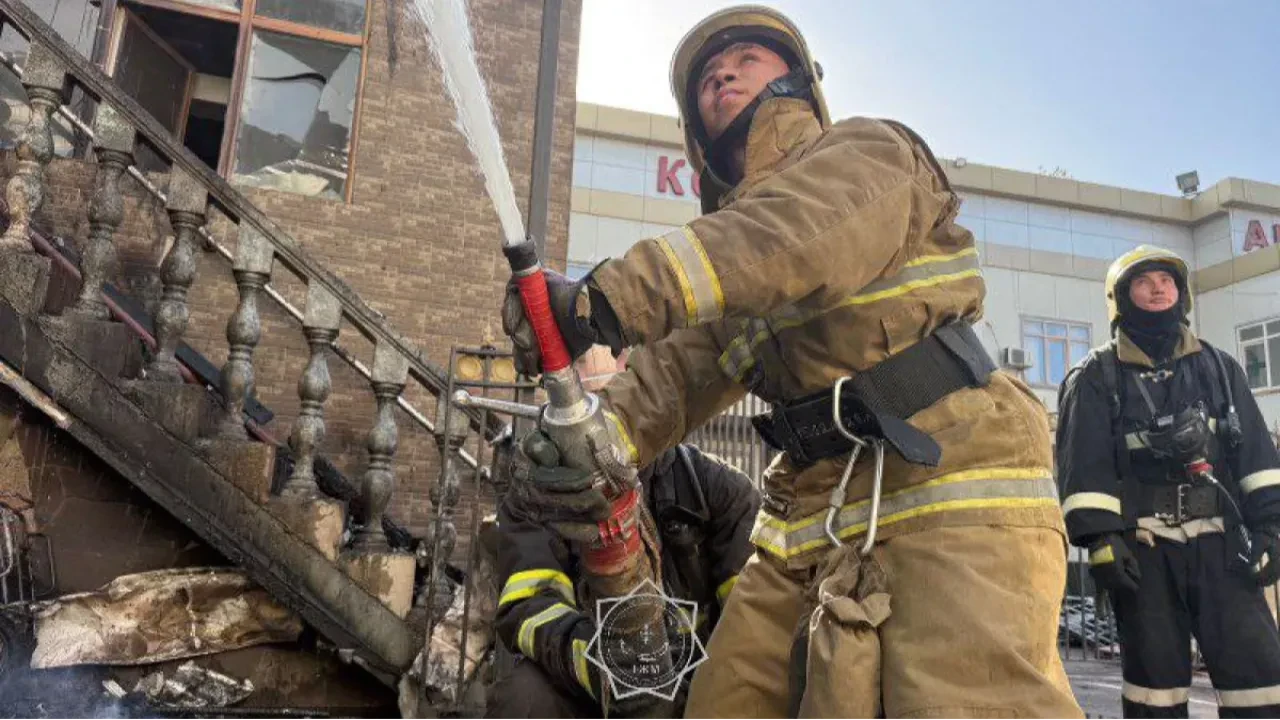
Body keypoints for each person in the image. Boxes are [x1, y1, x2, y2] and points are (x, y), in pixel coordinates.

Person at [502, 5, 1082, 719]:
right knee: (725, 704)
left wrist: (604, 298)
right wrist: (581, 446)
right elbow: (674, 377)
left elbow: (794, 235)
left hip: (952, 479)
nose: (723, 71)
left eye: (747, 56)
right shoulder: (732, 269)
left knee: (961, 702)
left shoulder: (868, 153)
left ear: (801, 83)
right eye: (708, 77)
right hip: (811, 506)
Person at [1056, 245, 1280, 719]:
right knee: (1155, 692)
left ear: (1182, 294)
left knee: (1261, 681)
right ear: (1120, 298)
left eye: (1167, 280)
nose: (1158, 288)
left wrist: (1272, 528)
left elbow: (1257, 457)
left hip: (1224, 550)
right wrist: (1101, 543)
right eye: (1144, 281)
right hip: (1144, 555)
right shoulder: (1096, 377)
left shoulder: (1220, 368)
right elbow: (1084, 466)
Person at [487, 348, 760, 720]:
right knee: (524, 697)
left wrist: (700, 688)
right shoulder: (535, 500)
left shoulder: (719, 492)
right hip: (590, 684)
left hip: (699, 686)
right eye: (579, 362)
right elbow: (529, 607)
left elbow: (754, 623)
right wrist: (608, 664)